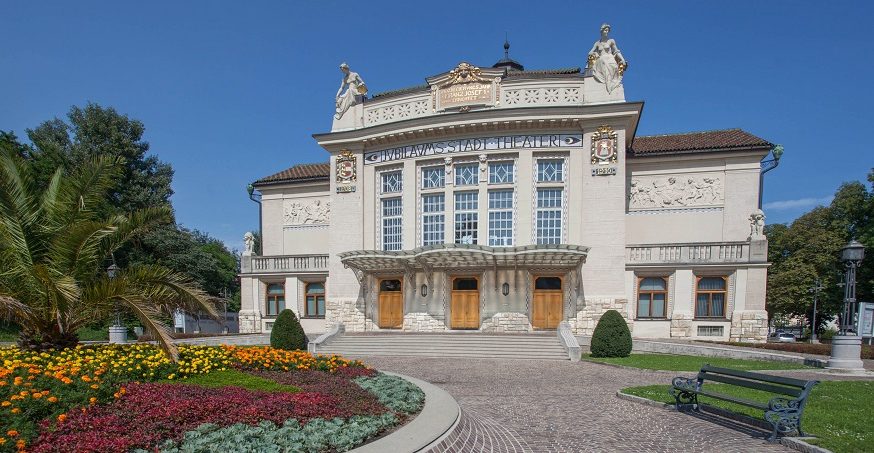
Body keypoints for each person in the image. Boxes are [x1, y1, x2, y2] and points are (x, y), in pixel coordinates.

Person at [587, 23, 628, 93]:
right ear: (602, 31)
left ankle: (610, 87)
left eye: (608, 30)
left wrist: (622, 59)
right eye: (605, 30)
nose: (607, 32)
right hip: (601, 59)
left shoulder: (611, 41)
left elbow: (616, 51)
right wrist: (595, 54)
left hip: (610, 58)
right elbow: (590, 52)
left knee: (611, 66)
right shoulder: (597, 43)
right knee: (603, 62)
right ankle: (608, 87)